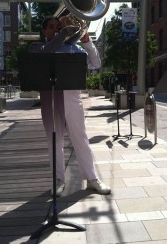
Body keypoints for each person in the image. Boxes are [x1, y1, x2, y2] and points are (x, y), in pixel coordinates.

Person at [30, 16, 111, 196]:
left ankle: (92, 179)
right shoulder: (37, 48)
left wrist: (87, 42)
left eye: (58, 27)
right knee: (54, 141)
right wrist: (65, 33)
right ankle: (59, 180)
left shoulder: (74, 49)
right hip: (50, 100)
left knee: (80, 139)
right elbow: (47, 52)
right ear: (44, 31)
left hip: (73, 101)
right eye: (51, 27)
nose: (57, 30)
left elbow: (96, 63)